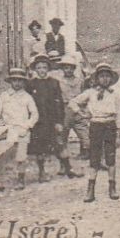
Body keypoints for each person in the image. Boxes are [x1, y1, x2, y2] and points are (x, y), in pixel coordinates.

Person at [72, 62, 120, 202]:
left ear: (111, 79)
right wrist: (82, 114)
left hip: (110, 125)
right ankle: (90, 189)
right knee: (94, 157)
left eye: (107, 76)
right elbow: (73, 102)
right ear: (97, 78)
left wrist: (119, 134)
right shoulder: (90, 93)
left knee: (110, 157)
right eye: (101, 76)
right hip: (95, 125)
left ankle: (112, 187)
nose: (105, 79)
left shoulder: (115, 94)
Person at [0, 67, 39, 189]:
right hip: (7, 127)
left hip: (21, 128)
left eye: (20, 80)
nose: (17, 83)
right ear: (10, 82)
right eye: (14, 80)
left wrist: (27, 125)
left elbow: (35, 114)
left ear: (23, 82)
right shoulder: (4, 95)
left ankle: (21, 179)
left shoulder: (27, 97)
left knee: (21, 155)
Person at [25, 55, 67, 183]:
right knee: (39, 146)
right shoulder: (31, 84)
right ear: (35, 69)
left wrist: (59, 121)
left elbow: (59, 103)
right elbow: (26, 103)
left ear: (48, 68)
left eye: (44, 67)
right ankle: (42, 171)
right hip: (37, 121)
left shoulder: (54, 83)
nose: (42, 70)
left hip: (51, 119)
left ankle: (65, 166)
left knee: (57, 143)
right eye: (39, 68)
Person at [56, 58, 86, 178]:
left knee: (86, 135)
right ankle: (63, 165)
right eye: (65, 67)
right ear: (62, 69)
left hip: (78, 109)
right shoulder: (59, 81)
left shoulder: (80, 81)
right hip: (65, 109)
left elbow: (84, 95)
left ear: (74, 68)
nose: (68, 70)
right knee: (62, 138)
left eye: (70, 67)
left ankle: (87, 157)